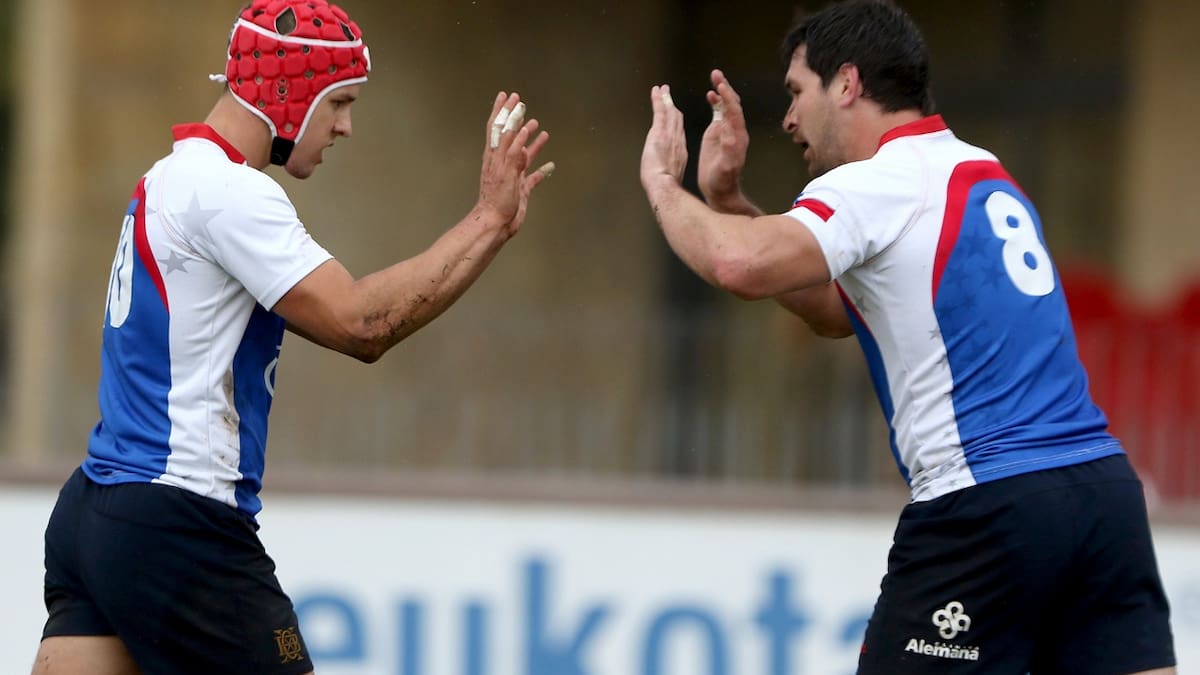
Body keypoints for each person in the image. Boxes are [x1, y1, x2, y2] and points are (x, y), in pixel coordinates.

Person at [639, 0, 1175, 673]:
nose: (789, 118)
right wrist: (728, 204)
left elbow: (738, 263)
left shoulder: (881, 181)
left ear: (848, 83)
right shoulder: (979, 168)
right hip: (1102, 496)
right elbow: (839, 309)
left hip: (988, 503)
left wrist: (664, 186)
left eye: (796, 92)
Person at [33, 1, 552, 673]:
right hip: (180, 522)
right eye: (338, 101)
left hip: (93, 513)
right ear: (288, 91)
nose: (346, 126)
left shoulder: (167, 178)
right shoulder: (229, 191)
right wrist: (487, 221)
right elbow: (363, 324)